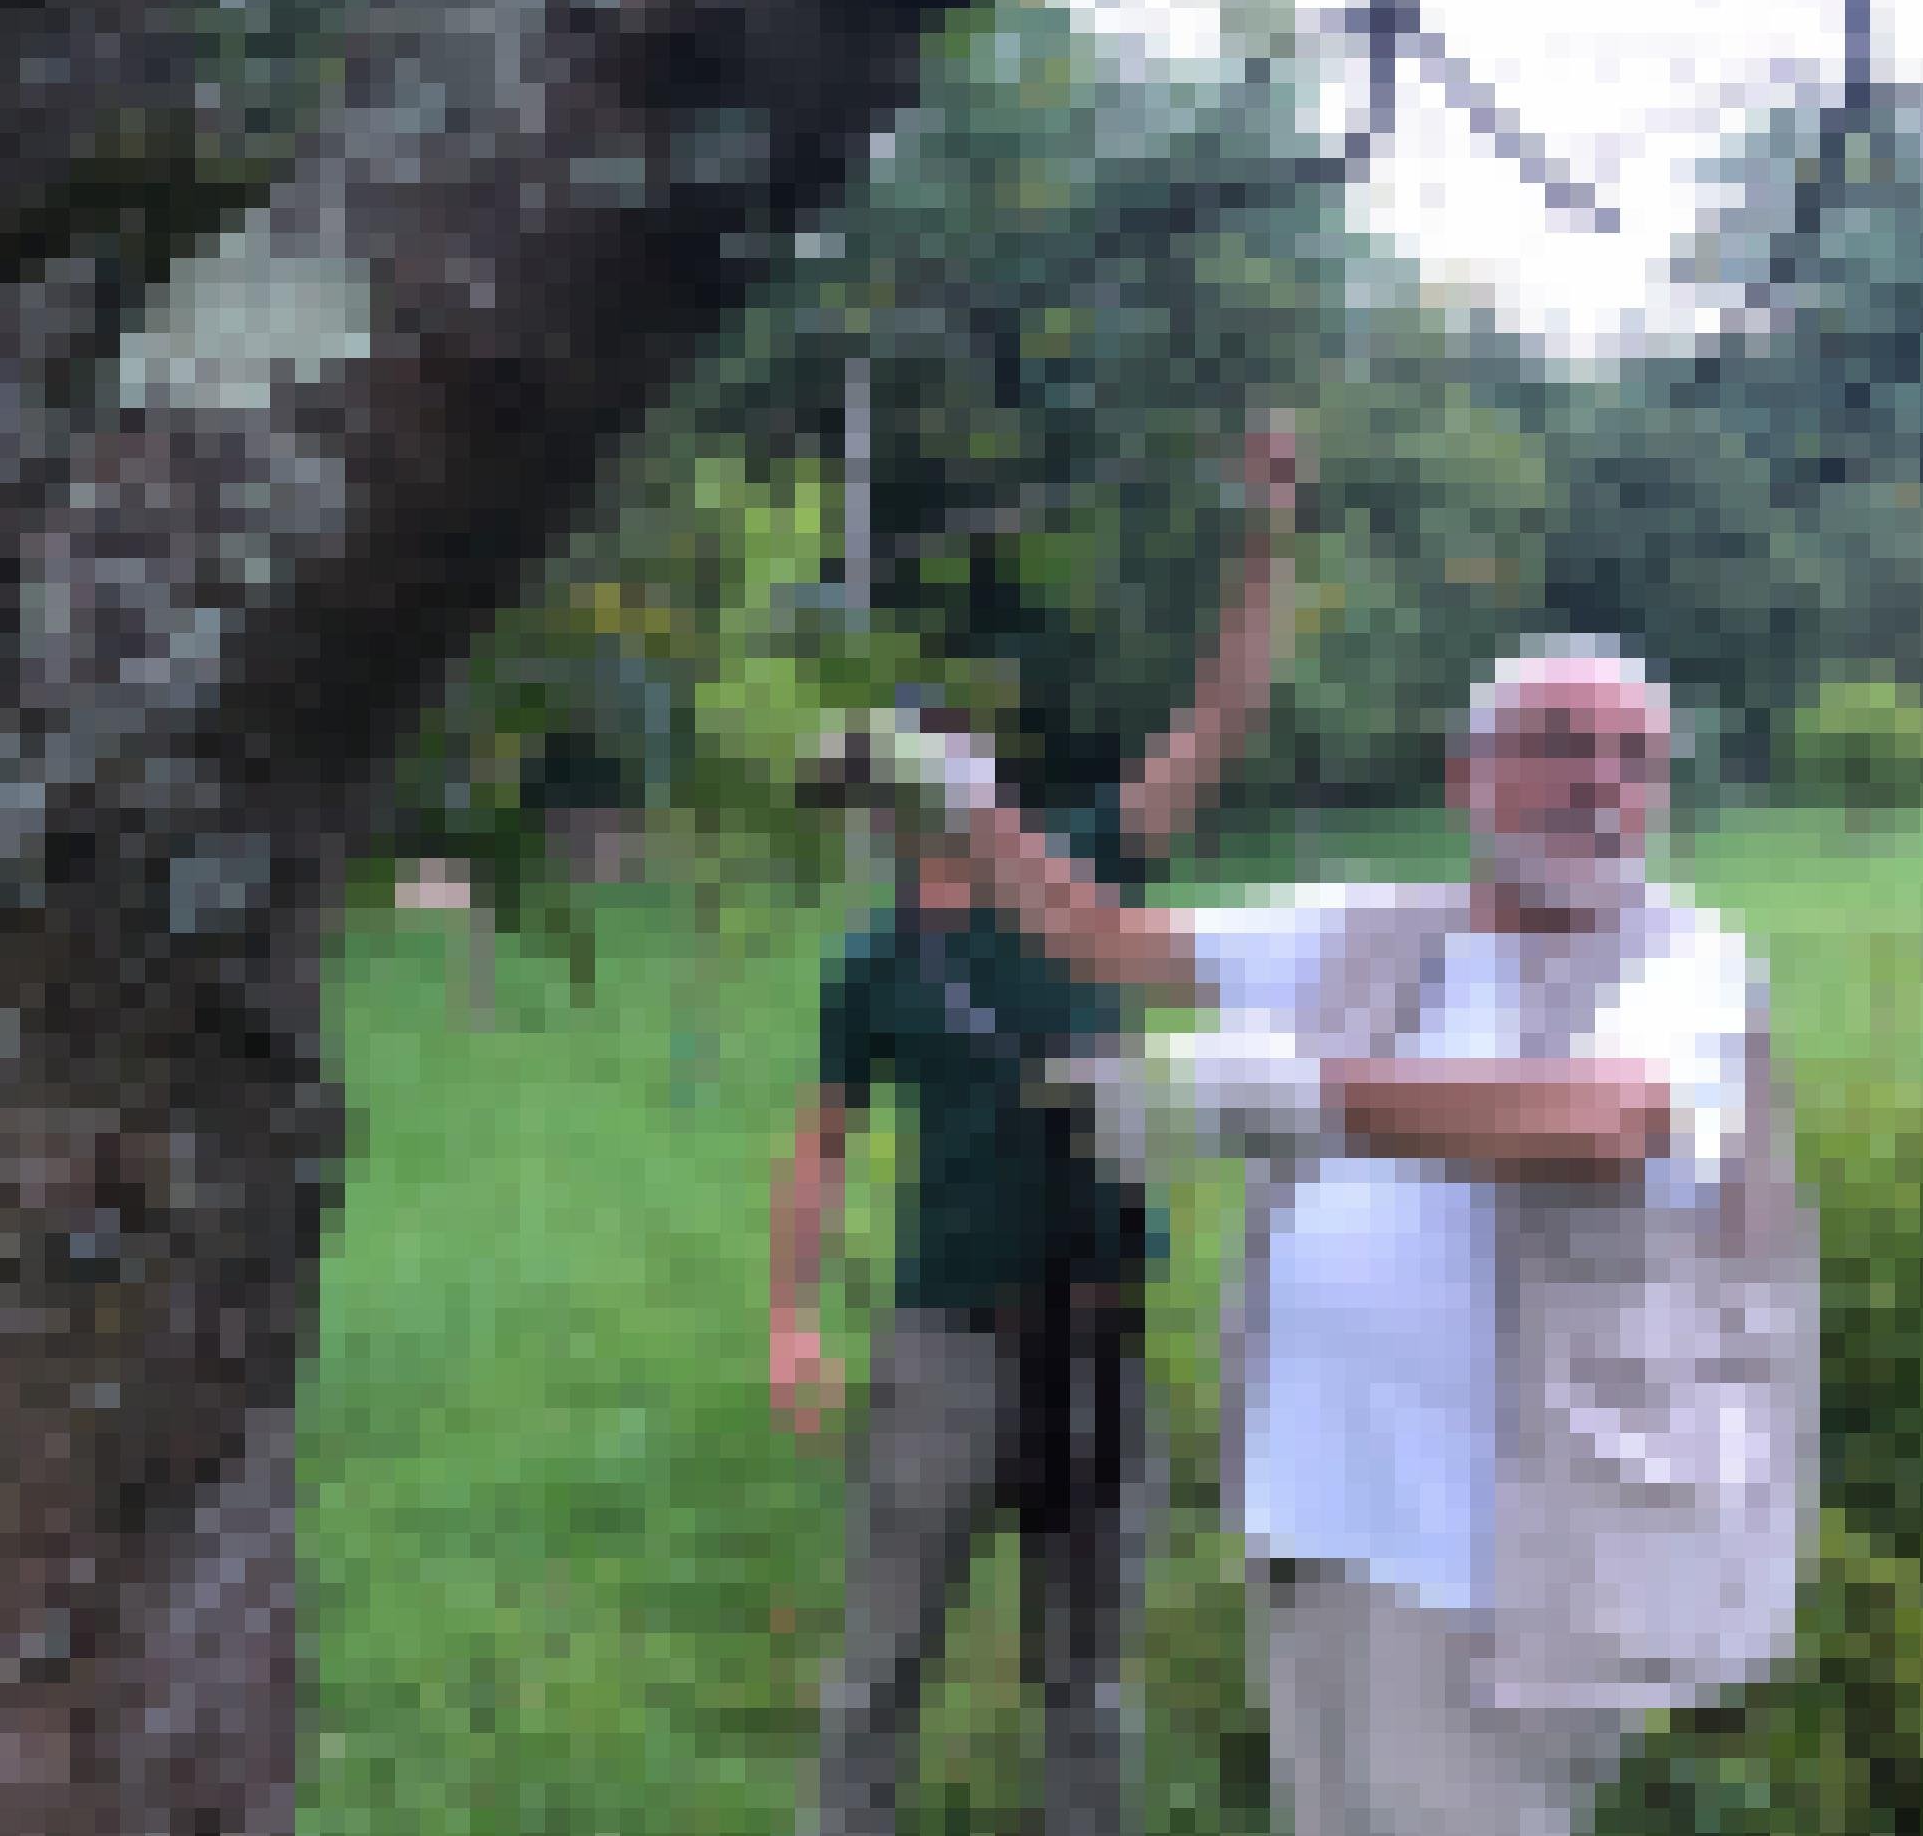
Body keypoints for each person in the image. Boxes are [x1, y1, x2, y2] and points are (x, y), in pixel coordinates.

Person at [876, 637, 1818, 1836]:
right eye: (1559, 741)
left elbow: (1609, 1112)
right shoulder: (1370, 927)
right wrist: (973, 808)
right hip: (1316, 1515)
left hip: (1496, 1573)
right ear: (1464, 776)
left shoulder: (1687, 961)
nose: (1600, 781)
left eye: (1635, 758)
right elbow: (1106, 939)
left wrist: (1303, 1094)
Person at [774, 420, 1304, 1836]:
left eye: (951, 763)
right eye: (904, 775)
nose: (935, 791)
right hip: (944, 1342)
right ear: (883, 800)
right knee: (880, 1666)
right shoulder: (868, 965)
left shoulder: (1089, 868)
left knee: (1087, 1684)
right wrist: (790, 1315)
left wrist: (1263, 533)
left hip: (1103, 1338)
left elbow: (1219, 718)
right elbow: (818, 1145)